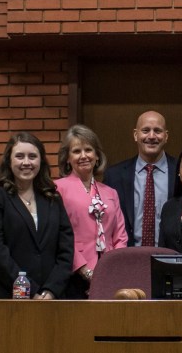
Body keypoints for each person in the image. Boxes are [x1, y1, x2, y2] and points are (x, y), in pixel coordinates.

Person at [0, 132, 74, 299]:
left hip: (50, 298)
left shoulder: (52, 198)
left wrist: (50, 290)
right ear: (9, 161)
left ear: (41, 161)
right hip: (6, 295)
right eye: (19, 156)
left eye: (32, 156)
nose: (26, 162)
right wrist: (30, 289)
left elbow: (66, 249)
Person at [55, 125, 128, 298]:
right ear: (67, 158)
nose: (83, 156)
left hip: (109, 274)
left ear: (97, 156)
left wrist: (110, 268)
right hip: (73, 274)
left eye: (88, 150)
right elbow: (60, 236)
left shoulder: (110, 192)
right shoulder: (58, 188)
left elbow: (120, 236)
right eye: (76, 151)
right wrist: (86, 271)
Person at [104, 111, 177, 247]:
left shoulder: (180, 172)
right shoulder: (114, 176)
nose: (151, 136)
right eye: (145, 130)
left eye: (157, 131)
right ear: (135, 135)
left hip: (170, 257)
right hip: (127, 258)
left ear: (166, 136)